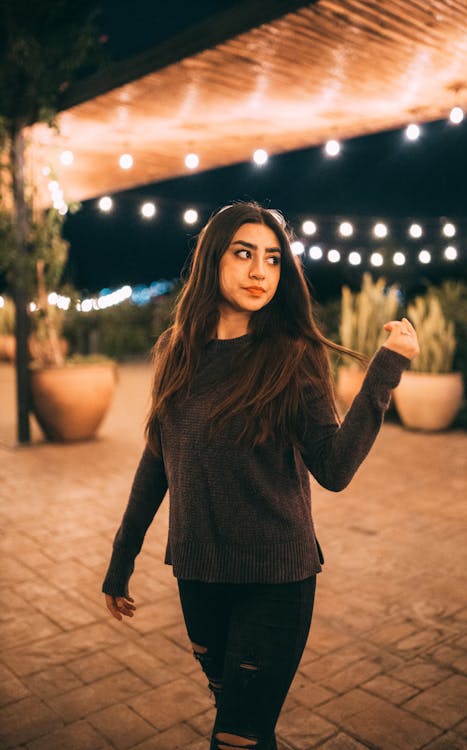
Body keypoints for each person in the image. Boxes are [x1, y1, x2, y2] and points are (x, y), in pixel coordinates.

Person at [102, 201, 419, 750]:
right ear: (211, 260)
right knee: (238, 717)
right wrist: (120, 560)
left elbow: (335, 467)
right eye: (244, 254)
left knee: (236, 736)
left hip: (276, 578)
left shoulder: (292, 357)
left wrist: (385, 371)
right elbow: (158, 463)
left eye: (273, 260)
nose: (259, 272)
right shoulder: (177, 353)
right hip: (198, 575)